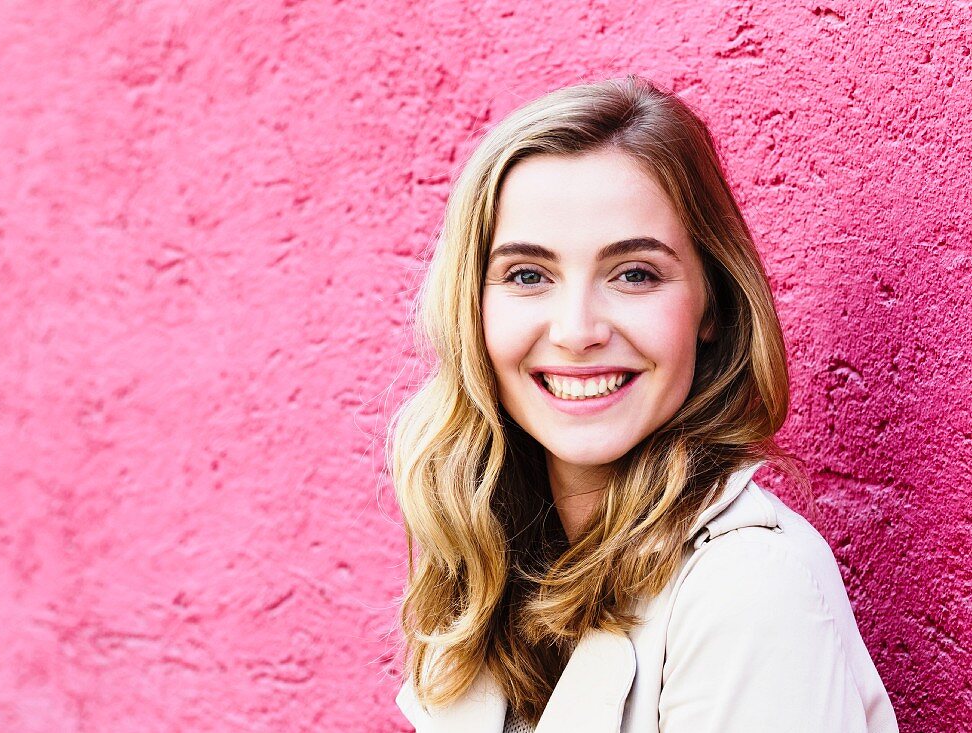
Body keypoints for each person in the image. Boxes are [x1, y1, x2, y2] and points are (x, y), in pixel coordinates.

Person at [386, 75, 900, 732]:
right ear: (473, 309)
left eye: (634, 274)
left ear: (710, 303)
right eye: (527, 275)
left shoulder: (748, 588)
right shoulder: (492, 574)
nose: (576, 330)